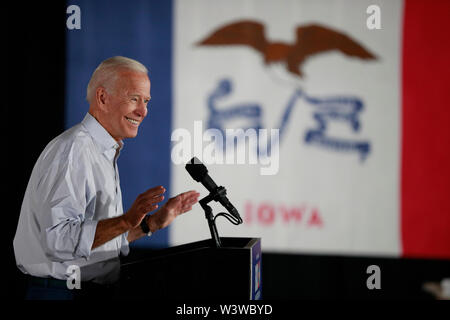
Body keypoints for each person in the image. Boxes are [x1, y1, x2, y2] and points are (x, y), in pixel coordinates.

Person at [13, 56, 200, 300]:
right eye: (134, 98)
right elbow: (56, 239)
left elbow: (94, 243)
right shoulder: (74, 151)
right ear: (102, 98)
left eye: (146, 101)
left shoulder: (103, 151)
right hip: (61, 293)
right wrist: (125, 221)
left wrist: (152, 223)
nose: (143, 111)